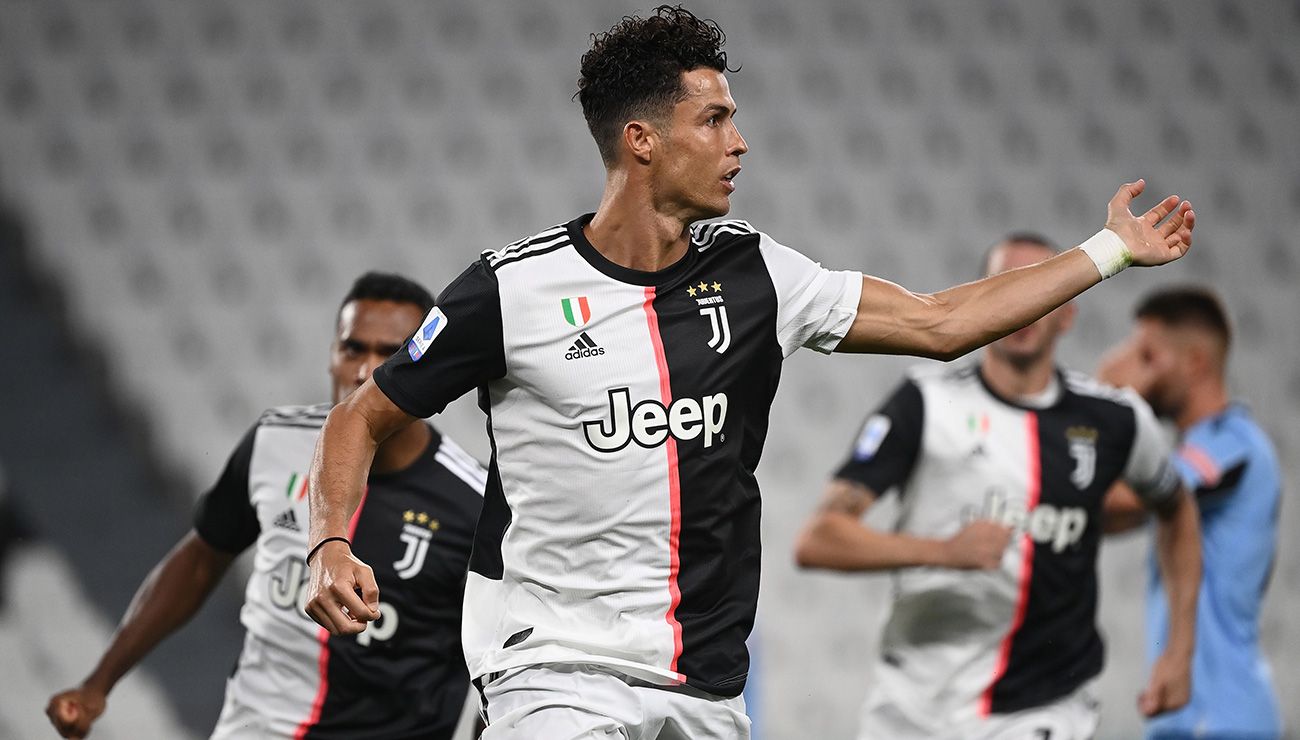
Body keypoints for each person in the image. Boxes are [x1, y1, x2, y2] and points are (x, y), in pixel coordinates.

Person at [303, 7, 1196, 738]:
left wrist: (1109, 250)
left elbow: (939, 321)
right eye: (716, 119)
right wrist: (331, 543)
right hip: (554, 665)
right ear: (643, 139)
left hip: (705, 678)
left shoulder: (758, 271)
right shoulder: (512, 289)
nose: (740, 141)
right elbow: (359, 418)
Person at [793, 235, 1202, 739]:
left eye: (1039, 290)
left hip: (1041, 708)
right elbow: (819, 539)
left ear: (1066, 314)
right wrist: (943, 551)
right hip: (914, 707)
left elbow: (1176, 508)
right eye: (1006, 287)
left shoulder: (1115, 420)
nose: (1023, 307)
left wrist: (1180, 653)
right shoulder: (924, 403)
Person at [46, 273, 486, 739]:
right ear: (332, 355)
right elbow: (200, 560)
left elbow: (502, 659)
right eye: (352, 348)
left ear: (425, 365)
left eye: (391, 353)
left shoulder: (473, 501)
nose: (365, 371)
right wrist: (99, 684)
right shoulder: (274, 441)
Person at [1099, 286, 1282, 740]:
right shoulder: (1197, 450)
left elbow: (1116, 500)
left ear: (1195, 362)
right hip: (1186, 714)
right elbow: (1102, 514)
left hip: (1222, 715)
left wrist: (1111, 405)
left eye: (1148, 356)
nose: (1138, 371)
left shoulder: (1234, 443)